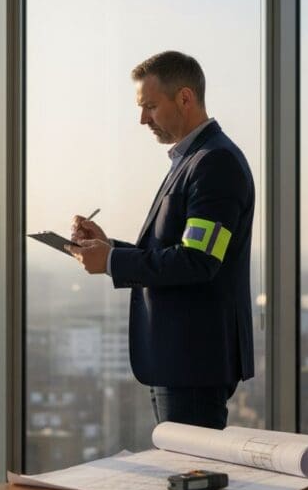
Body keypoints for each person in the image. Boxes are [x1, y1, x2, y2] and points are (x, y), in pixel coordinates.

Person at [66, 50, 255, 430]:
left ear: (185, 98)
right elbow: (173, 251)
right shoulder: (192, 160)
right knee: (180, 462)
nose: (142, 119)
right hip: (178, 360)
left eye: (150, 106)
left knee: (189, 465)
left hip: (193, 361)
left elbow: (198, 260)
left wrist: (112, 262)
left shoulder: (214, 163)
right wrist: (109, 248)